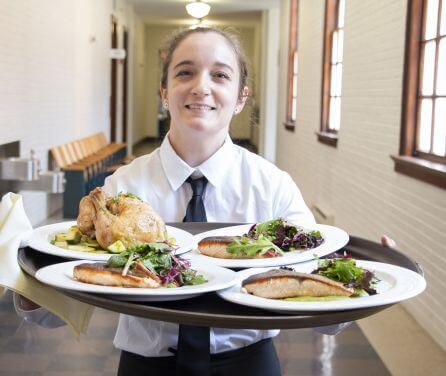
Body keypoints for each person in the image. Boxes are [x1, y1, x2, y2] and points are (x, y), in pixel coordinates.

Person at [15, 26, 395, 376]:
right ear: (164, 92)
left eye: (220, 75)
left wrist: (365, 281)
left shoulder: (272, 187)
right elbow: (63, 301)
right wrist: (24, 278)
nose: (201, 87)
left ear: (241, 97)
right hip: (146, 367)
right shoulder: (120, 189)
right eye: (184, 72)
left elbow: (321, 311)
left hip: (250, 364)